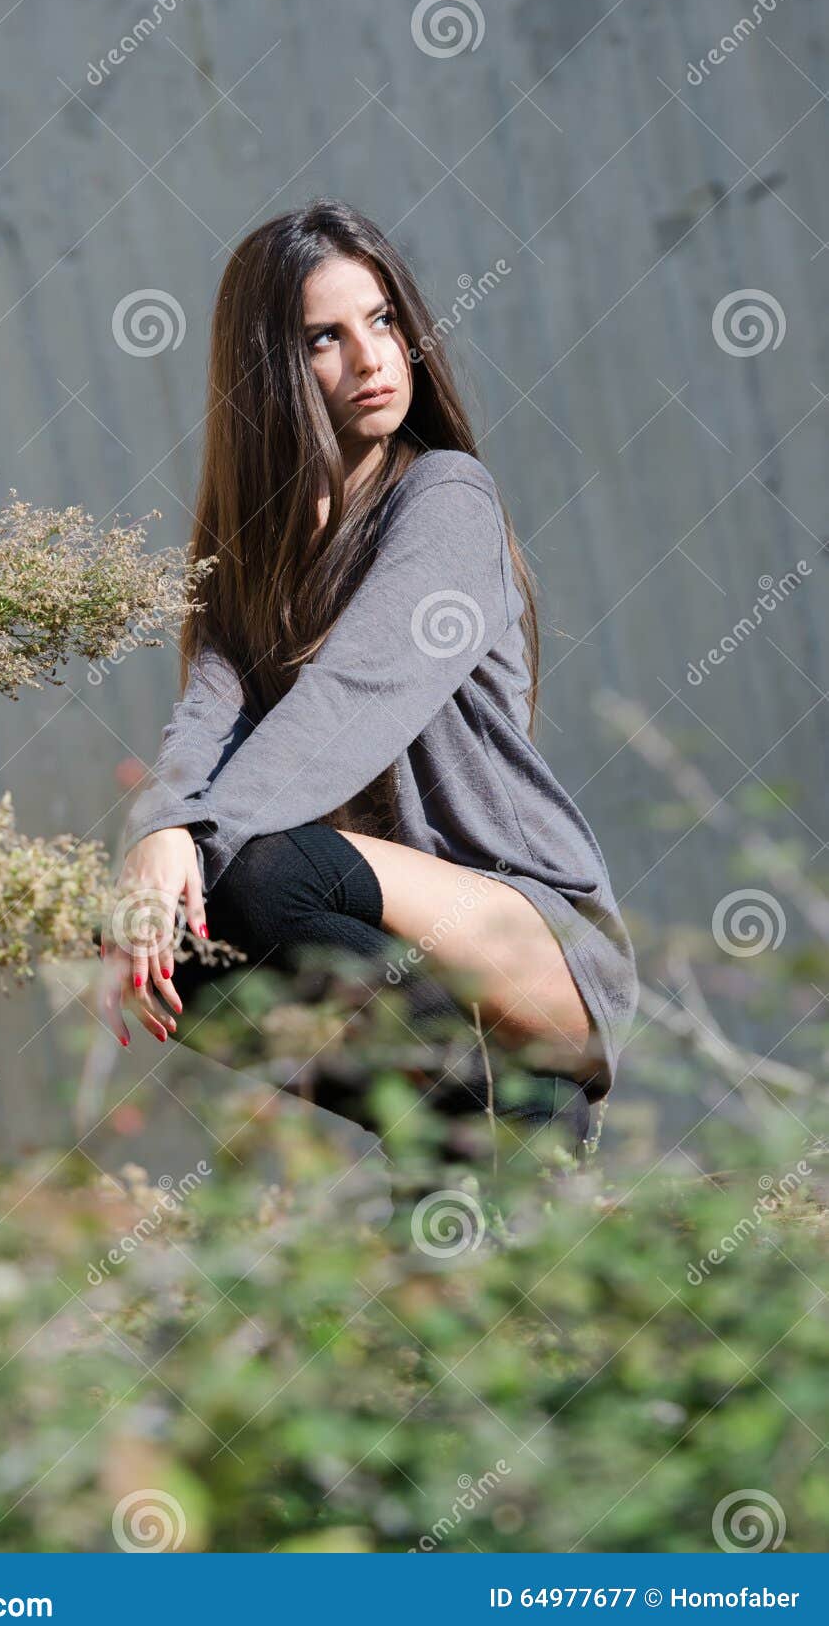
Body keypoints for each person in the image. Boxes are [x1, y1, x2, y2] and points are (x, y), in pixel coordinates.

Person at [96, 198, 640, 1165]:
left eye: (383, 321)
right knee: (175, 938)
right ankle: (456, 1141)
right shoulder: (254, 557)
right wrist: (151, 847)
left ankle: (507, 1120)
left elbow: (346, 708)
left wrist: (193, 853)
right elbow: (205, 723)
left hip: (531, 939)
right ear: (271, 370)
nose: (373, 359)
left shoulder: (446, 499)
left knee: (255, 873)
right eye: (325, 339)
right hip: (403, 950)